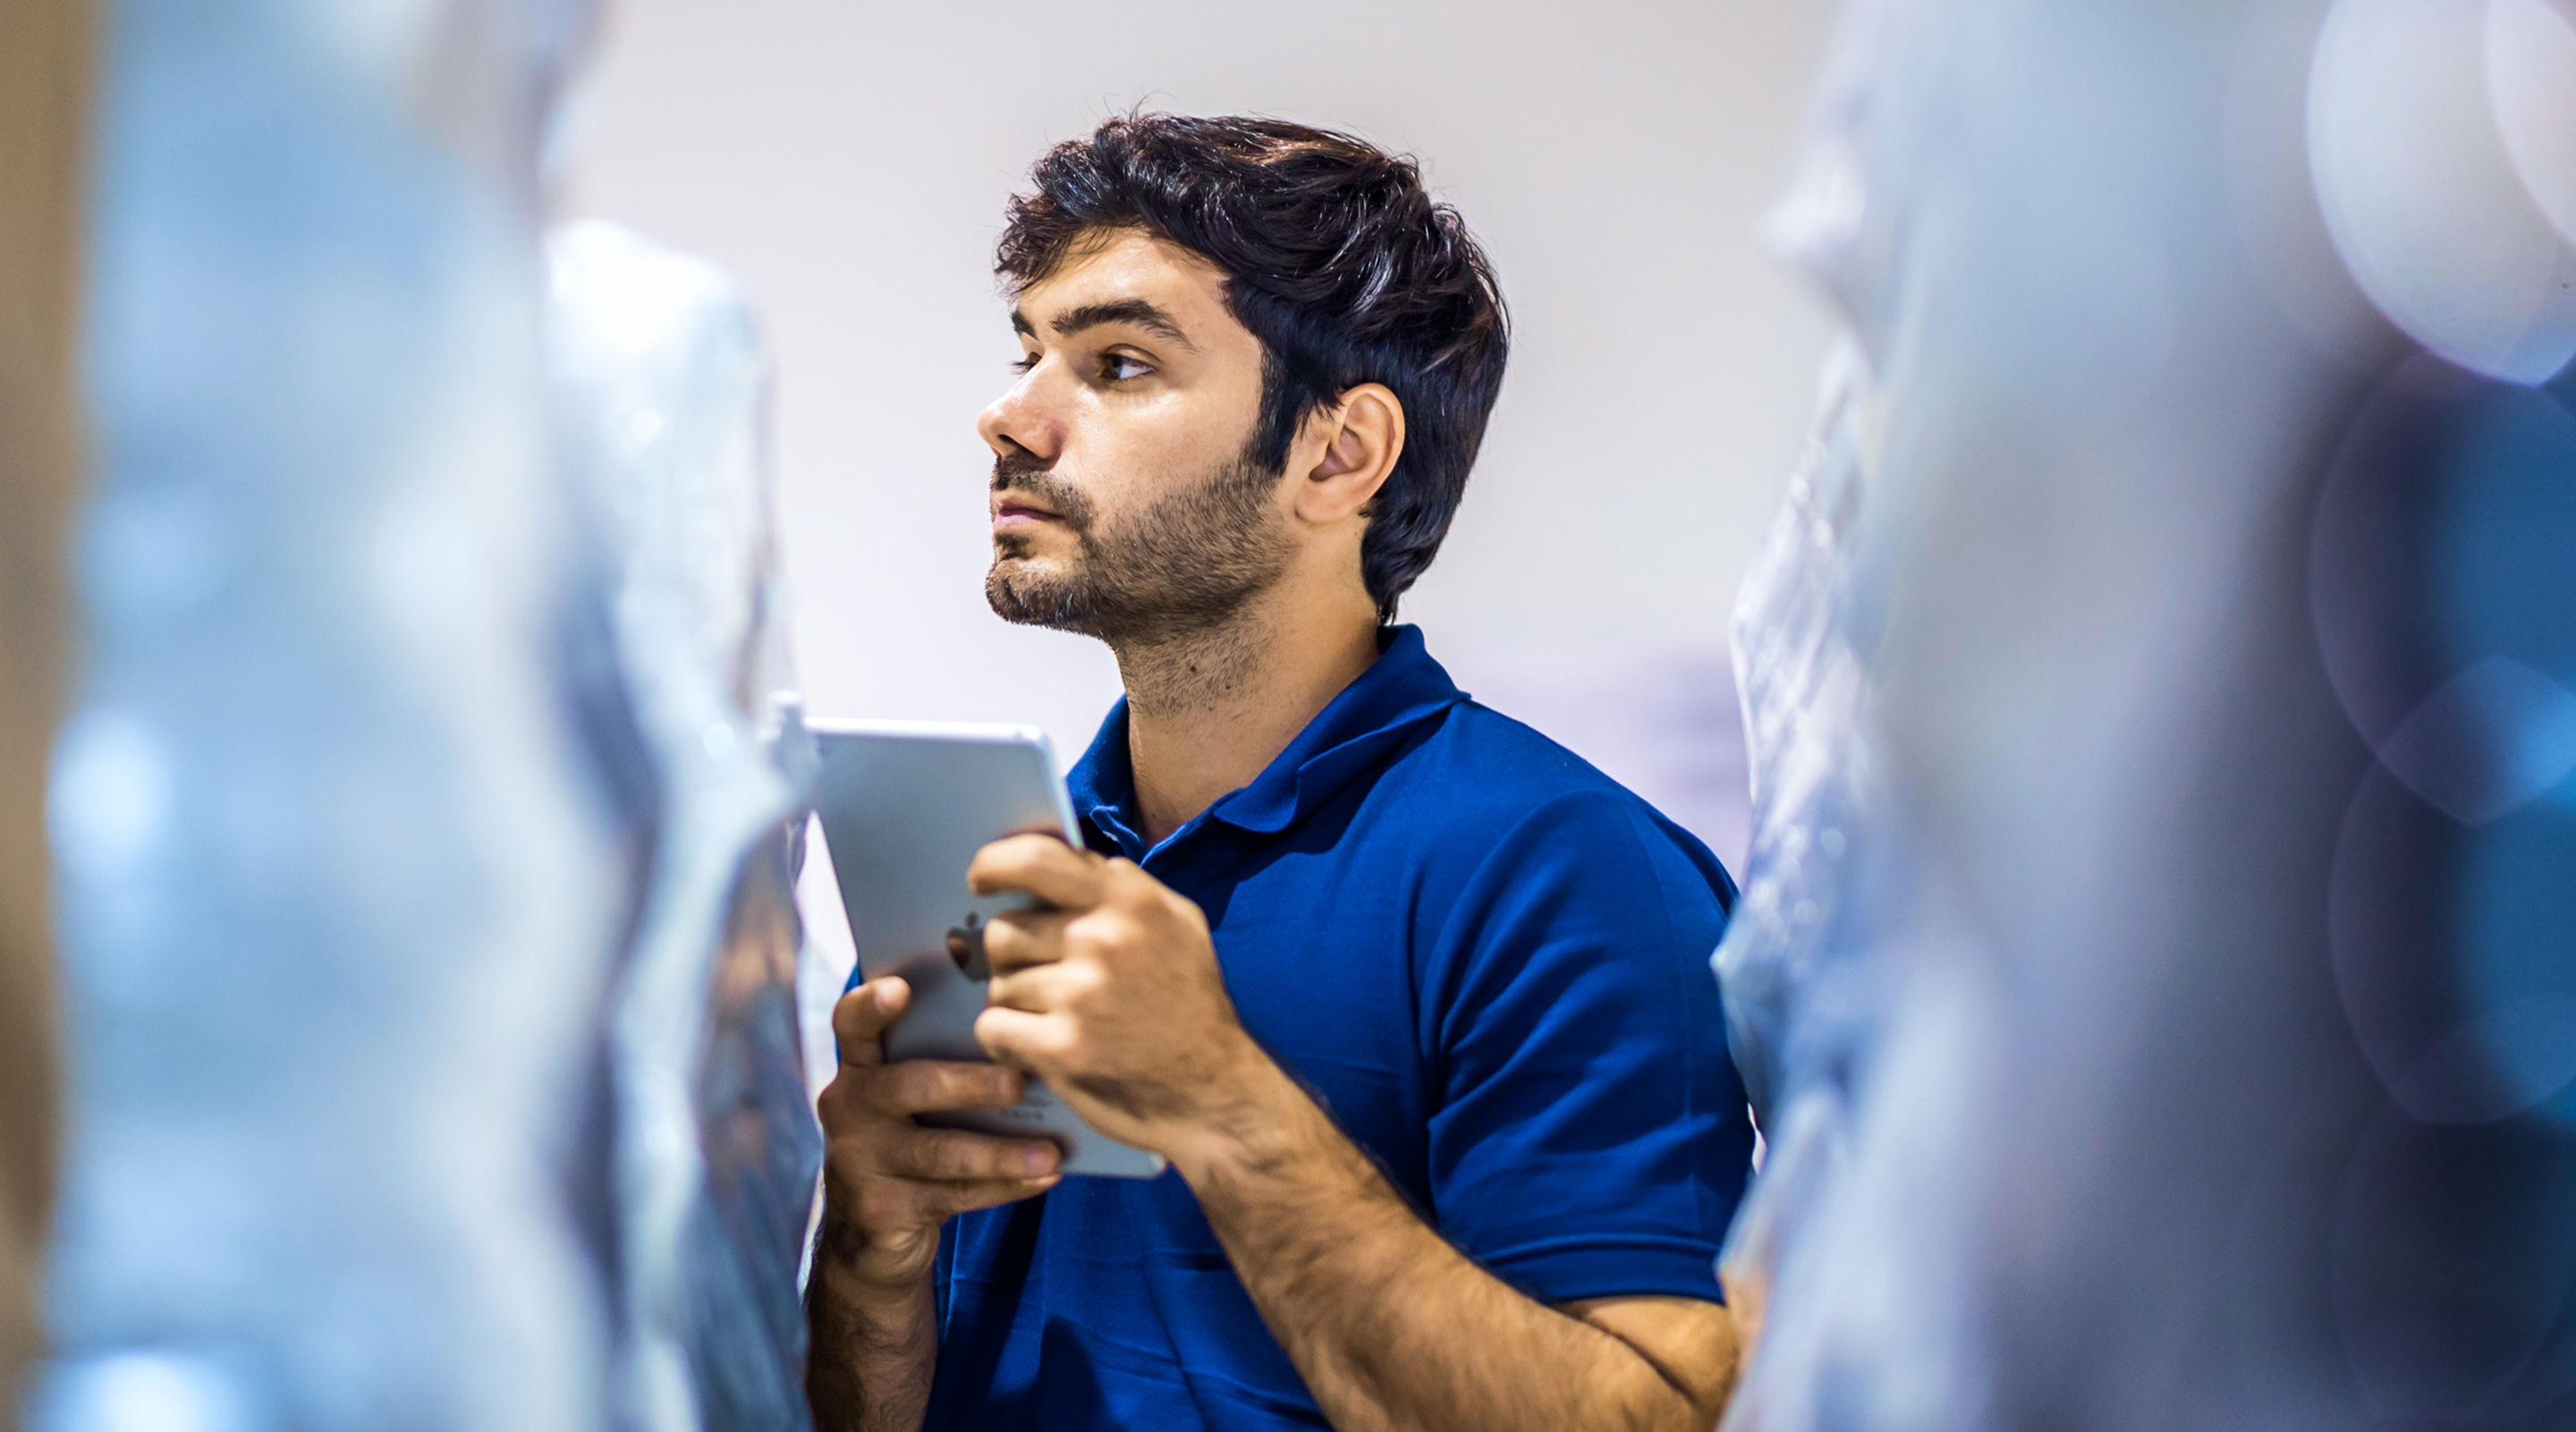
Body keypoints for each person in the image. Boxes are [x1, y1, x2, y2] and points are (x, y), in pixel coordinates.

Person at [805, 114, 1758, 1432]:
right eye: (1028, 353)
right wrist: (872, 1247)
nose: (1008, 414)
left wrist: (1224, 1105)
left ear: (1339, 453)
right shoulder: (1004, 869)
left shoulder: (1570, 876)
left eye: (1118, 363)